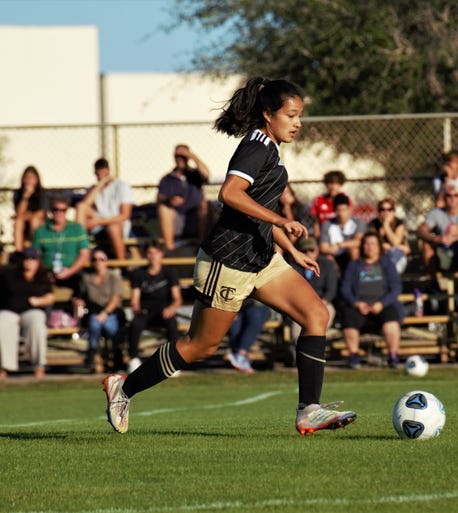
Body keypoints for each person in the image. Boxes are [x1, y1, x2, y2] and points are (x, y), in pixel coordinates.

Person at [103, 77, 356, 436]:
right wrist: (281, 219)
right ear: (268, 115)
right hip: (228, 262)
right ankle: (123, 388)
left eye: (300, 115)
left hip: (261, 257)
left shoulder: (271, 147)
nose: (297, 122)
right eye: (291, 115)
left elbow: (257, 210)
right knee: (200, 345)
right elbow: (230, 194)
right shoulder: (256, 147)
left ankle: (308, 410)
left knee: (315, 315)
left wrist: (291, 248)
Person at [339, 232, 404, 369]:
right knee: (348, 318)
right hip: (359, 306)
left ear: (379, 247)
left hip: (382, 305)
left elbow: (396, 287)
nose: (370, 247)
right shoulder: (354, 265)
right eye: (367, 244)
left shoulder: (386, 263)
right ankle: (353, 356)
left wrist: (382, 303)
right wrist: (357, 303)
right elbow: (345, 288)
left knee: (391, 319)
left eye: (373, 244)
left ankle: (393, 355)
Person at [126, 241, 182, 374]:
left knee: (172, 324)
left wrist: (172, 308)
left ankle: (172, 361)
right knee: (135, 324)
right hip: (145, 311)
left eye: (155, 253)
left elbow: (177, 299)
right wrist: (136, 308)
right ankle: (133, 359)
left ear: (161, 254)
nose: (152, 256)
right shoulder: (138, 274)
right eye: (149, 253)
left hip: (164, 311)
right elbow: (135, 299)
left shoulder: (169, 272)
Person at [0, 247, 54, 380]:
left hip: (32, 310)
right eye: (27, 259)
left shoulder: (43, 275)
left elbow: (50, 296)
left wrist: (39, 301)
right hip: (10, 311)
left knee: (36, 324)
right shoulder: (10, 273)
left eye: (33, 259)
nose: (29, 262)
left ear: (37, 261)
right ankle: (4, 367)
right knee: (2, 323)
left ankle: (39, 366)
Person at [74, 247, 124, 371]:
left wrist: (105, 313)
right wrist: (78, 303)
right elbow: (80, 295)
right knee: (94, 325)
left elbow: (115, 299)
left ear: (106, 261)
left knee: (111, 327)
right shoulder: (87, 279)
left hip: (111, 311)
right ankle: (92, 358)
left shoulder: (113, 277)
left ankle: (117, 359)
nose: (98, 262)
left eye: (101, 259)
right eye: (95, 259)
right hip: (94, 311)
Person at [75, 158, 134, 260]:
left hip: (116, 224)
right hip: (99, 224)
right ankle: (81, 250)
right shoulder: (94, 188)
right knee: (81, 207)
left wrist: (98, 222)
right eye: (98, 173)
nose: (101, 176)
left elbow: (125, 215)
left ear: (108, 171)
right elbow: (84, 205)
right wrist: (99, 186)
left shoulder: (122, 186)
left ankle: (122, 263)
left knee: (113, 227)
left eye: (103, 172)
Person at [31, 193, 91, 291]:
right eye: (56, 209)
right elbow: (35, 255)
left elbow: (84, 254)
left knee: (83, 284)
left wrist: (70, 271)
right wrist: (44, 270)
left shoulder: (77, 229)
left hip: (72, 271)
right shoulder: (41, 231)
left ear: (67, 211)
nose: (59, 213)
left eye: (63, 210)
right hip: (48, 272)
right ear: (51, 210)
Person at [157, 144, 210, 251]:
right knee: (163, 209)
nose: (180, 159)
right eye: (178, 156)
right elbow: (159, 197)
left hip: (195, 217)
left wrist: (192, 156)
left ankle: (202, 245)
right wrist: (170, 200)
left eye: (183, 156)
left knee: (204, 205)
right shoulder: (167, 178)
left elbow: (207, 174)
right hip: (176, 218)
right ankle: (170, 248)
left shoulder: (195, 174)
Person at [289, 237, 338, 344]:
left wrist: (322, 302)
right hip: (300, 305)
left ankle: (317, 337)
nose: (308, 253)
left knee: (328, 311)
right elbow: (292, 291)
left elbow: (331, 289)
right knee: (297, 336)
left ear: (317, 250)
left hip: (322, 302)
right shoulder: (293, 267)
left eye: (311, 250)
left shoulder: (327, 265)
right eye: (304, 251)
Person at [319, 192, 366, 274]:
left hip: (350, 255)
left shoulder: (358, 223)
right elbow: (323, 247)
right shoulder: (327, 225)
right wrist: (331, 250)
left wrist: (339, 245)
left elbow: (358, 242)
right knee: (328, 258)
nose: (341, 214)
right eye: (338, 210)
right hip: (334, 256)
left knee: (354, 251)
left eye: (344, 210)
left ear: (349, 209)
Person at [226, 299, 271, 374]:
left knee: (255, 318)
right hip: (235, 306)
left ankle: (240, 355)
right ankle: (242, 361)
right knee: (234, 326)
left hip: (258, 305)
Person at [367, 198, 411, 274]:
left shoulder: (399, 224)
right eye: (382, 209)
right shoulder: (373, 224)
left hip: (397, 257)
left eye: (389, 209)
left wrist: (386, 225)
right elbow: (373, 242)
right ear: (378, 212)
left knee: (394, 254)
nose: (386, 212)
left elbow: (395, 242)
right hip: (379, 256)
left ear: (393, 211)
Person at [13, 165, 48, 253]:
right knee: (18, 222)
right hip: (24, 223)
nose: (29, 180)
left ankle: (36, 251)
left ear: (37, 179)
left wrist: (28, 216)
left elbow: (41, 213)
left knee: (35, 220)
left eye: (31, 178)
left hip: (39, 223)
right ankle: (19, 252)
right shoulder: (18, 193)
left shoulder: (42, 193)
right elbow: (19, 213)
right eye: (27, 178)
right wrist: (26, 197)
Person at [309, 170, 350, 238]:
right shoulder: (318, 200)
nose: (333, 187)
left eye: (336, 183)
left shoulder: (345, 198)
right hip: (323, 233)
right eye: (330, 183)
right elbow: (315, 219)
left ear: (341, 185)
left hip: (341, 231)